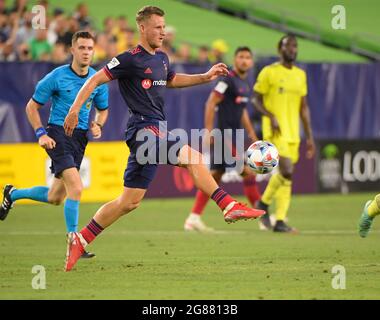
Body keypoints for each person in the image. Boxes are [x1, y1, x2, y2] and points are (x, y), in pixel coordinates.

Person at [62, 6, 265, 271]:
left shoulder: (162, 58)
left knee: (129, 201)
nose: (163, 31)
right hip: (142, 131)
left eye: (164, 26)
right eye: (157, 27)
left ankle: (81, 239)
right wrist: (75, 110)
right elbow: (93, 81)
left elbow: (171, 80)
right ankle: (228, 205)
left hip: (157, 130)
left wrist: (205, 76)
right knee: (193, 156)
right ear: (143, 28)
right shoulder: (128, 59)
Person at [0, 31, 109, 258]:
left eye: (90, 48)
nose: (87, 52)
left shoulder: (98, 80)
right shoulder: (56, 77)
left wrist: (98, 124)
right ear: (72, 50)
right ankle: (74, 242)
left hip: (79, 138)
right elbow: (31, 107)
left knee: (55, 197)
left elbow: (103, 109)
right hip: (58, 134)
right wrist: (41, 133)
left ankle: (13, 194)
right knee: (77, 188)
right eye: (82, 48)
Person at [184, 46, 261, 232]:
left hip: (234, 136)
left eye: (248, 57)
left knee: (214, 177)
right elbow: (211, 102)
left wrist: (253, 135)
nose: (244, 60)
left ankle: (193, 218)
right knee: (248, 172)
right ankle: (264, 216)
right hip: (223, 136)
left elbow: (242, 112)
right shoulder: (228, 80)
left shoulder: (244, 84)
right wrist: (208, 130)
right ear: (235, 59)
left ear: (251, 62)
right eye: (241, 57)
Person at [253, 34, 315, 233]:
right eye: (288, 46)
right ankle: (263, 203)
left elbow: (303, 108)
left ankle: (279, 220)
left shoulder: (300, 75)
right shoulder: (269, 72)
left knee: (286, 177)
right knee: (287, 170)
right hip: (274, 132)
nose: (293, 49)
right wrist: (270, 116)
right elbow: (255, 100)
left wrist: (310, 136)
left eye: (295, 46)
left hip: (293, 133)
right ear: (280, 49)